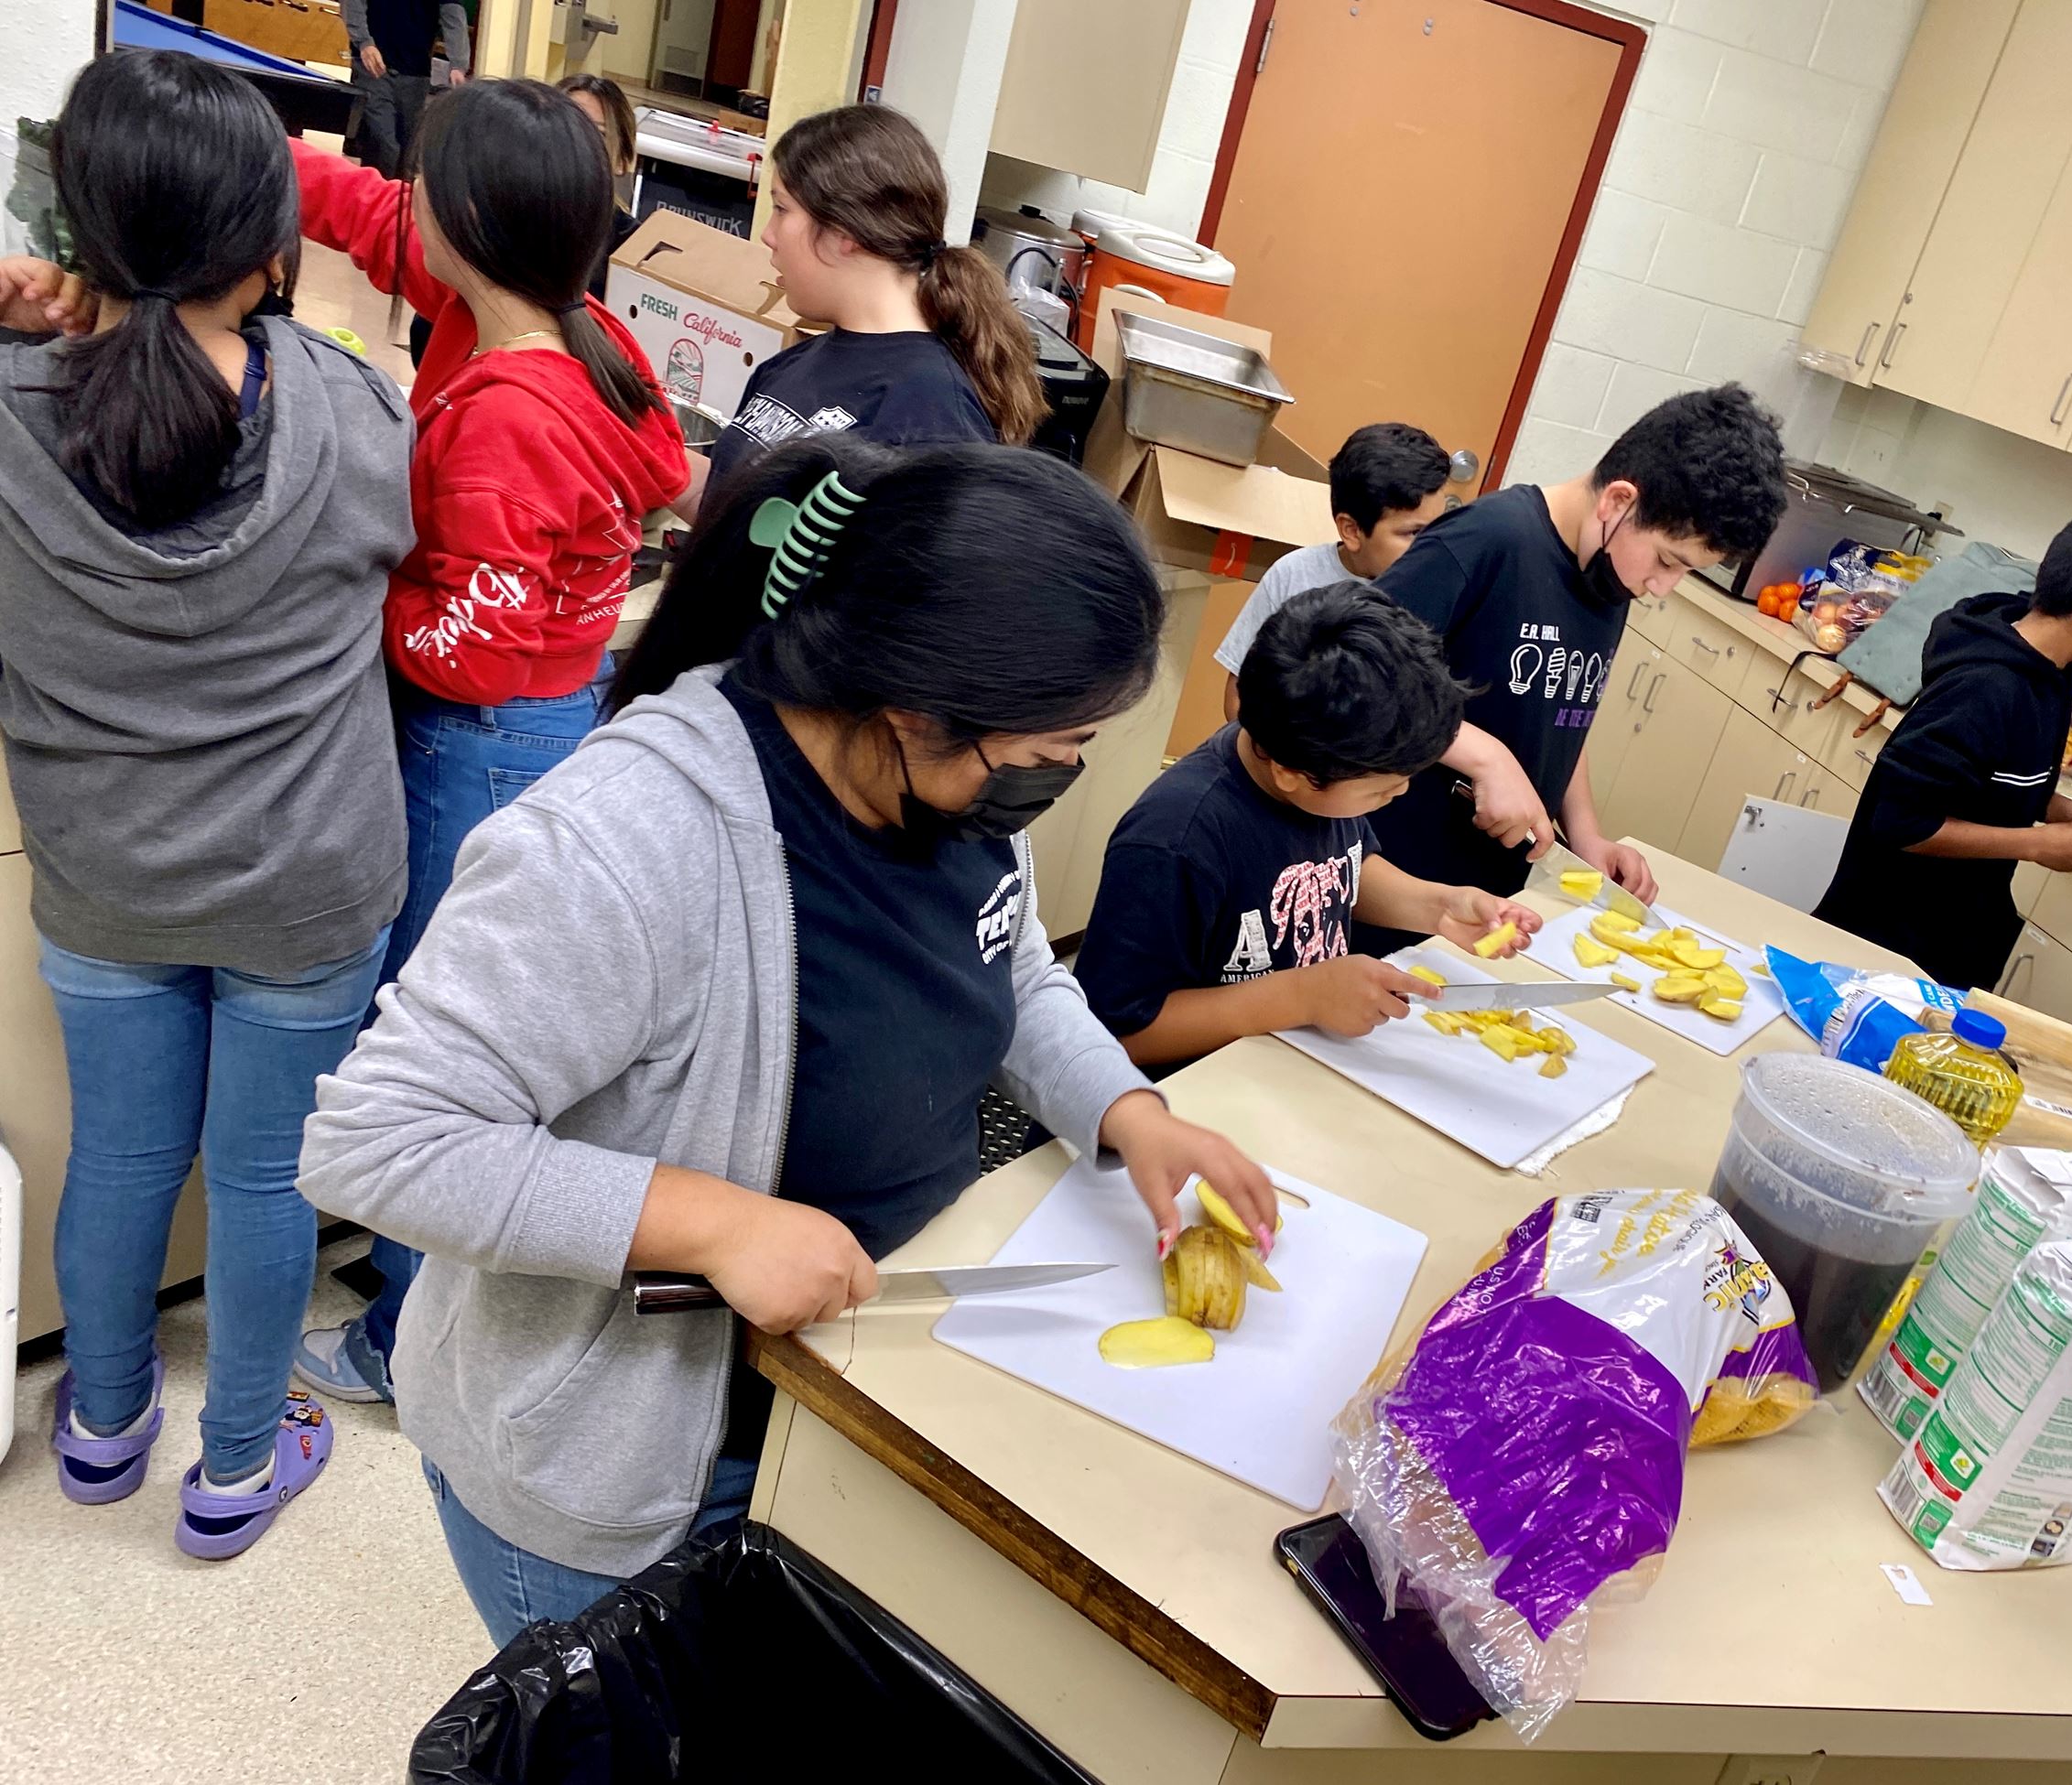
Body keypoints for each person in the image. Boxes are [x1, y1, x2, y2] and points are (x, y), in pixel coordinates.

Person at [296, 437, 1275, 1644]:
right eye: (1051, 748)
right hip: (626, 1462)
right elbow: (377, 1143)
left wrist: (1129, 1111)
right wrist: (717, 1224)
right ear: (911, 709)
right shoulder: (629, 841)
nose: (1066, 771)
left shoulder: (953, 790)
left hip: (841, 1384)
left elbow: (1009, 964)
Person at [0, 50, 413, 1556]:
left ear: (72, 228)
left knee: (119, 1157)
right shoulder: (352, 407)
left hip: (106, 878)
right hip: (308, 879)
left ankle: (102, 1427)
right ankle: (238, 1466)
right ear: (270, 244)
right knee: (264, 1177)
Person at [289, 80, 689, 1408]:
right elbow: (369, 217)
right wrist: (251, 157)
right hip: (543, 718)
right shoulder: (571, 329)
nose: (401, 205)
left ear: (466, 223)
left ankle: (404, 1338)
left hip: (481, 740)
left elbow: (469, 640)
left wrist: (352, 587)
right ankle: (412, 1291)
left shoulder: (509, 416)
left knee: (440, 1039)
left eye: (422, 187)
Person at [1358, 384, 1788, 950]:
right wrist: (1485, 758)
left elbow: (1561, 711)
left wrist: (1587, 836)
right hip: (1395, 884)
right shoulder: (1487, 540)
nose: (1662, 587)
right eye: (1667, 561)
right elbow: (1354, 674)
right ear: (1617, 501)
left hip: (1493, 892)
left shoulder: (1607, 571)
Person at [1077, 586, 1540, 1066]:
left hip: (1287, 1064)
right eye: (1381, 790)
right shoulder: (1176, 838)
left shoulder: (1314, 764)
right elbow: (1118, 1031)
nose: (1399, 794)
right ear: (1291, 774)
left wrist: (1439, 907)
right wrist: (1301, 997)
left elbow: (1341, 871)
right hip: (1193, 1091)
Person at [1811, 504, 2072, 990]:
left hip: (1954, 938)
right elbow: (1900, 822)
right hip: (1883, 947)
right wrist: (2036, 844)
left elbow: (1998, 781)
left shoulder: (2052, 672)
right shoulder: (1986, 686)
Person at [683, 104, 1044, 517]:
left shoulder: (932, 418)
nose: (768, 235)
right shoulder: (790, 365)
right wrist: (642, 452)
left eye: (781, 209)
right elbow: (734, 519)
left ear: (845, 231)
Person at [1213, 422, 1452, 720]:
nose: (1431, 547)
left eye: (1440, 528)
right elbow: (1240, 695)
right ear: (1351, 530)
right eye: (1413, 533)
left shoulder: (1441, 590)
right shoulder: (1294, 574)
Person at [343, 0, 472, 177]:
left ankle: (398, 194)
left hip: (416, 73)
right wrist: (364, 42)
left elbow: (453, 12)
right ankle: (379, 192)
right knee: (383, 144)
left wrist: (458, 64)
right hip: (373, 68)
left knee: (407, 155)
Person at [555, 72, 640, 304]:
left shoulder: (631, 248)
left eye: (598, 134)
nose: (578, 141)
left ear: (622, 160)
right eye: (566, 126)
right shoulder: (505, 218)